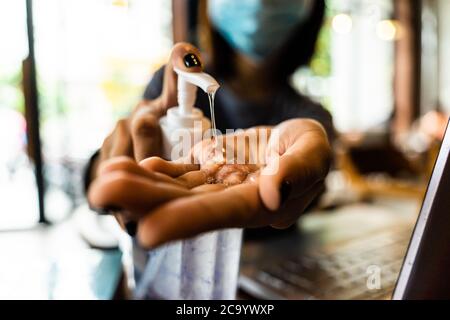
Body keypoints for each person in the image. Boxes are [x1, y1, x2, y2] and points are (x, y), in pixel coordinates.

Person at [85, 0, 333, 291]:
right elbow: (109, 176)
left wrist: (297, 182)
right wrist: (106, 166)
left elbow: (307, 196)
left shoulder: (310, 117)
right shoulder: (173, 91)